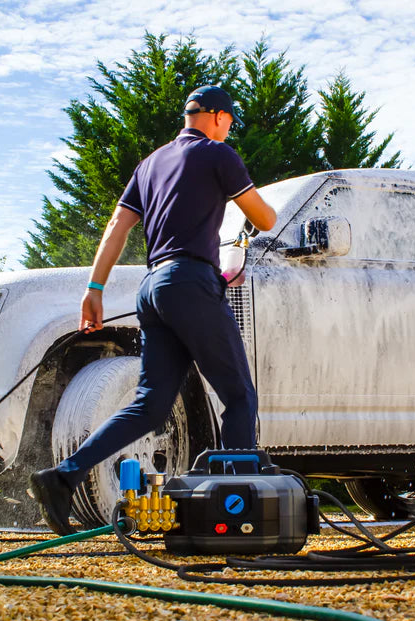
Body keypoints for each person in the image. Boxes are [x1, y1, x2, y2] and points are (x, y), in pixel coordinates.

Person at [29, 85, 277, 536]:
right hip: (191, 282)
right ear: (219, 117)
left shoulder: (149, 165)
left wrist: (94, 288)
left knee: (149, 405)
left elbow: (116, 227)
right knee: (239, 396)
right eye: (230, 122)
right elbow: (265, 219)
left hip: (153, 288)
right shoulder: (219, 155)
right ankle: (240, 513)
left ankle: (63, 476)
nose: (230, 130)